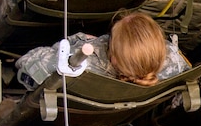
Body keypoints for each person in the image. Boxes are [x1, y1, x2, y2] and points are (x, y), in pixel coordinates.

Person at [15, 12, 191, 89]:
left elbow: (25, 69)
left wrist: (78, 43)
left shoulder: (84, 66)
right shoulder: (173, 64)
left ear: (114, 58)